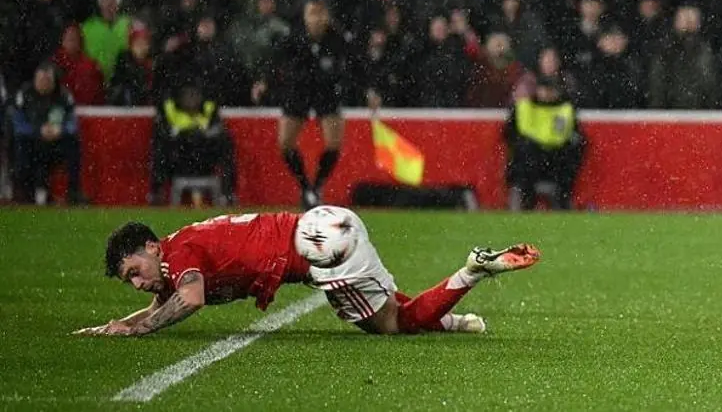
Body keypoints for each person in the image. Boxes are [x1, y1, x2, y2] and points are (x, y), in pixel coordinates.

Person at [76, 209, 540, 336]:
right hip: (323, 226)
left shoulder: (179, 256)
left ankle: (472, 271)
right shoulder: (176, 254)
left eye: (134, 271)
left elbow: (189, 298)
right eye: (130, 280)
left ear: (152, 247)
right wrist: (115, 325)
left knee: (393, 326)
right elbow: (162, 302)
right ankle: (455, 319)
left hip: (317, 248)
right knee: (394, 308)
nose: (138, 283)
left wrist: (140, 331)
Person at [253, 0, 358, 208]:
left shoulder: (338, 39)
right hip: (298, 91)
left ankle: (317, 186)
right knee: (285, 144)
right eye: (312, 14)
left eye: (320, 13)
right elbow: (274, 61)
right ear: (305, 17)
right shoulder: (293, 38)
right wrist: (264, 81)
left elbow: (356, 65)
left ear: (327, 16)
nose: (316, 19)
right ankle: (306, 187)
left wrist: (366, 89)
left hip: (326, 92)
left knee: (334, 143)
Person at [504, 76, 585, 210]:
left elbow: (569, 136)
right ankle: (525, 199)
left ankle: (561, 200)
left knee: (570, 153)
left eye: (550, 89)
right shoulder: (525, 107)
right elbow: (510, 134)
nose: (547, 93)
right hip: (531, 157)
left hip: (555, 157)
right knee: (523, 153)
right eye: (544, 89)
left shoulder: (565, 109)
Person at [9, 62, 85, 205]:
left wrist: (61, 130)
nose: (44, 83)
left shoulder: (63, 95)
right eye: (41, 80)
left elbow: (72, 122)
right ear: (35, 80)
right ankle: (24, 192)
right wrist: (38, 131)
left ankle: (73, 191)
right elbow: (18, 123)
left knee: (74, 142)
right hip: (32, 142)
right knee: (20, 143)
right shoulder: (24, 94)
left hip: (57, 142)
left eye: (48, 80)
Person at [150, 82, 236, 205]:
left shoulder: (209, 112)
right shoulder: (171, 112)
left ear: (200, 98)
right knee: (160, 150)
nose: (191, 100)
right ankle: (156, 194)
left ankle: (228, 193)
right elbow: (161, 136)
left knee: (226, 145)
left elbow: (220, 134)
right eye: (187, 96)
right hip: (179, 162)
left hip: (205, 162)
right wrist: (181, 137)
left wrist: (203, 137)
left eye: (194, 96)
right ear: (180, 99)